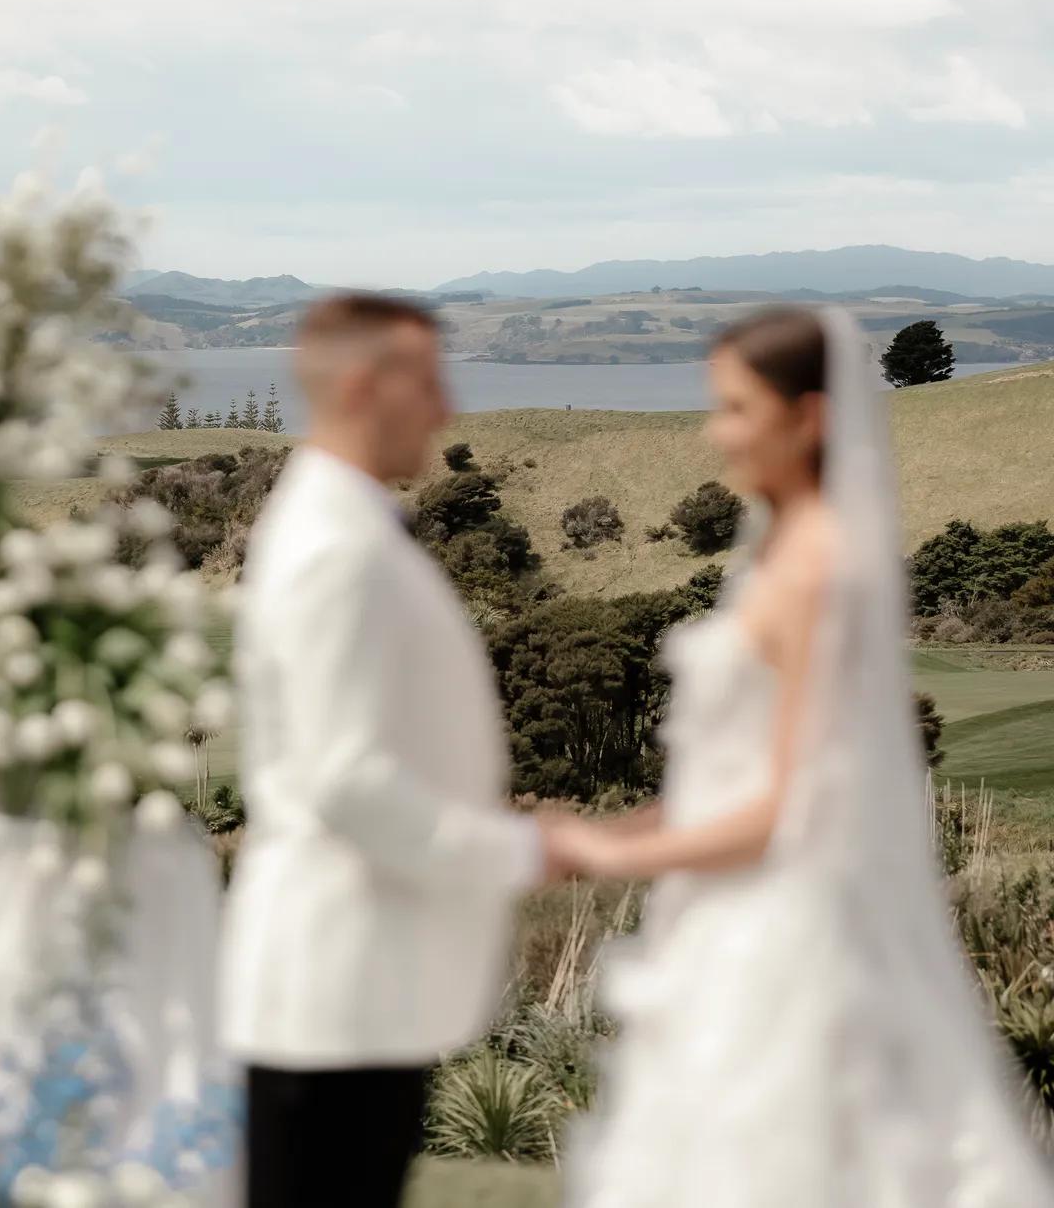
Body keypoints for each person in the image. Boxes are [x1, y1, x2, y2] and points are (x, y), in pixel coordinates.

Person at [555, 305, 1054, 1205]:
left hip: (784, 934)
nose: (717, 433)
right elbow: (727, 771)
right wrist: (620, 827)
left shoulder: (821, 565)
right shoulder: (777, 549)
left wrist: (611, 853)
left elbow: (788, 806)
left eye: (738, 409)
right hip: (721, 919)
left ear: (810, 418)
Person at [219, 292, 570, 1207]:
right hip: (333, 992)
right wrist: (530, 848)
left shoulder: (342, 526)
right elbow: (345, 780)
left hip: (356, 994)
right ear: (370, 387)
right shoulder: (335, 547)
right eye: (430, 380)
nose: (448, 407)